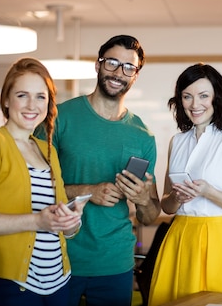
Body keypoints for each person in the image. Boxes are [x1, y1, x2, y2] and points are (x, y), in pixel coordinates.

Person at [0, 58, 85, 306]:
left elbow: (59, 227)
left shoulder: (47, 151)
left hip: (59, 281)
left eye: (40, 97)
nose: (31, 105)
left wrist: (70, 221)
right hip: (15, 285)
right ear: (6, 99)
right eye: (22, 95)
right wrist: (37, 220)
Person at [45, 35, 161, 306]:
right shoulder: (59, 118)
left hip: (114, 262)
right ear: (97, 66)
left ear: (136, 75)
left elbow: (149, 215)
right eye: (112, 63)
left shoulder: (143, 136)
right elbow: (29, 186)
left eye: (128, 67)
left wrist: (143, 199)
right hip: (58, 256)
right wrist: (86, 191)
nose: (119, 72)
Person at [148, 63, 222, 306]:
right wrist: (177, 197)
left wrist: (208, 191)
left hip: (219, 239)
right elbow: (167, 205)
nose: (194, 104)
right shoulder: (176, 142)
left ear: (217, 98)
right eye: (187, 96)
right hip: (179, 237)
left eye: (203, 96)